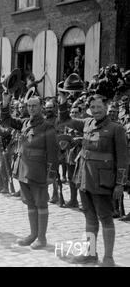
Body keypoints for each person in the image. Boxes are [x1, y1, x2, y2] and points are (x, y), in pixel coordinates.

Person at [58, 87, 128, 267]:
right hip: (84, 178)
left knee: (105, 218)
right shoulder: (87, 123)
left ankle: (109, 258)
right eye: (93, 108)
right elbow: (65, 120)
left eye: (99, 107)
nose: (96, 110)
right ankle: (90, 254)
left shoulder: (116, 129)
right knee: (89, 217)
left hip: (103, 181)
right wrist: (64, 101)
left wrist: (119, 184)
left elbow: (123, 159)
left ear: (106, 107)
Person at [0, 94, 58, 249]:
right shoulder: (25, 123)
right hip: (23, 170)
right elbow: (6, 121)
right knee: (30, 203)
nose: (32, 108)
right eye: (29, 106)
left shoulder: (47, 127)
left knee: (41, 203)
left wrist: (51, 174)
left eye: (35, 106)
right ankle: (33, 234)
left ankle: (41, 238)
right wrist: (5, 103)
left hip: (38, 170)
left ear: (41, 107)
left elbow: (53, 152)